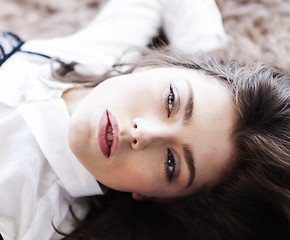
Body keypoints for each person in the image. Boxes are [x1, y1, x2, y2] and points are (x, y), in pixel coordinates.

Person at [0, 1, 289, 240]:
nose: (144, 134)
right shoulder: (100, 51)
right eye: (172, 101)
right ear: (154, 65)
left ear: (156, 197)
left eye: (171, 163)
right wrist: (211, 56)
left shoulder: (25, 219)